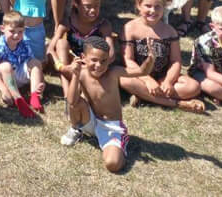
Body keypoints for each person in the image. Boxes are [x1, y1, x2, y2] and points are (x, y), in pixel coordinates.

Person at [61, 37, 153, 173]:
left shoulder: (114, 73)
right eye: (94, 60)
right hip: (91, 121)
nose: (99, 65)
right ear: (83, 57)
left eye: (104, 61)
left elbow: (142, 71)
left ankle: (120, 147)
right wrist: (75, 76)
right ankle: (77, 129)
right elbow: (71, 102)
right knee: (77, 103)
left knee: (112, 164)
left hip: (112, 127)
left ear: (109, 60)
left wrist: (151, 57)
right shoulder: (82, 73)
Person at [120, 0, 205, 113]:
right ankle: (177, 103)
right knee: (124, 81)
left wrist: (168, 81)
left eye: (158, 6)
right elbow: (128, 60)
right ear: (138, 5)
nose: (153, 10)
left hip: (162, 76)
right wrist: (147, 80)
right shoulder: (129, 28)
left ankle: (144, 96)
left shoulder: (170, 31)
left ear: (164, 7)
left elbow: (175, 61)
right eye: (148, 6)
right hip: (138, 76)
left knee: (193, 87)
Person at [48, 0, 115, 98]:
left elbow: (111, 54)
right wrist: (62, 67)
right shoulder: (67, 21)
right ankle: (67, 93)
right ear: (76, 4)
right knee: (61, 43)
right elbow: (50, 49)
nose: (93, 10)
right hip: (69, 65)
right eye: (87, 6)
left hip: (93, 67)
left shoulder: (103, 25)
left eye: (97, 6)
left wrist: (91, 66)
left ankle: (83, 90)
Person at [0, 10, 44, 118]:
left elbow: (32, 63)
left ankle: (34, 96)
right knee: (5, 66)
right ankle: (18, 99)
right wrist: (3, 90)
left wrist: (41, 81)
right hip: (4, 78)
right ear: (2, 29)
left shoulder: (24, 43)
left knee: (35, 62)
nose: (16, 35)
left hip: (17, 73)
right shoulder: (0, 46)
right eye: (12, 31)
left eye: (20, 31)